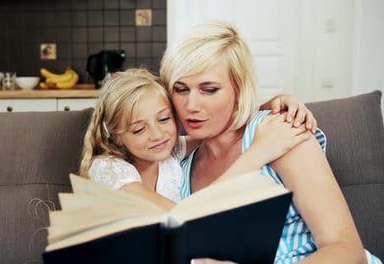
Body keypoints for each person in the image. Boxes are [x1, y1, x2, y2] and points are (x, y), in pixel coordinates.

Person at [159, 20, 381, 264]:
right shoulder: (179, 166)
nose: (191, 106)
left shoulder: (281, 134)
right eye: (181, 89)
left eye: (209, 90)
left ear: (239, 89)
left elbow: (347, 251)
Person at [79, 68, 314, 211]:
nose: (157, 135)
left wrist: (269, 106)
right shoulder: (108, 169)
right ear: (116, 137)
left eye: (163, 119)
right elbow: (184, 218)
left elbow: (219, 128)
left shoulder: (170, 150)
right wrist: (257, 154)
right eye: (139, 129)